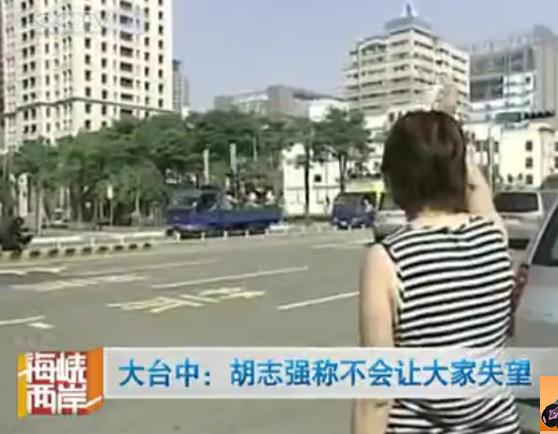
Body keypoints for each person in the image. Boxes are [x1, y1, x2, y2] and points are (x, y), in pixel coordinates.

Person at [353, 111, 519, 434]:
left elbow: (377, 395)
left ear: (393, 178)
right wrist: (453, 151)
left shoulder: (388, 260)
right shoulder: (494, 237)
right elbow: (478, 190)